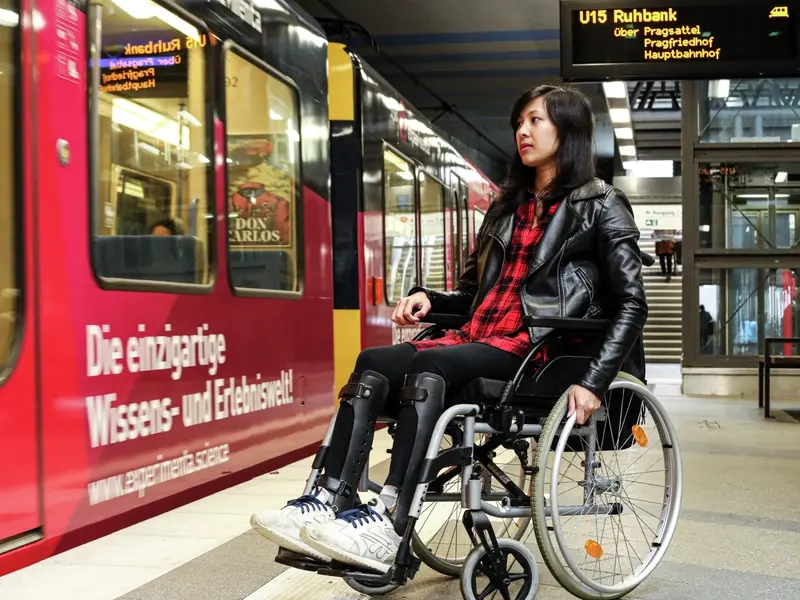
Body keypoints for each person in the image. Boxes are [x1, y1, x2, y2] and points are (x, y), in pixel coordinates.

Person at [250, 84, 648, 575]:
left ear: (569, 131)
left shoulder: (603, 204)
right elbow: (472, 297)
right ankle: (328, 499)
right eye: (519, 122)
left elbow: (632, 303)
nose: (523, 131)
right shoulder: (507, 207)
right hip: (477, 339)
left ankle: (389, 518)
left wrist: (593, 383)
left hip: (540, 351)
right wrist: (430, 300)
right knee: (373, 362)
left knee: (429, 361)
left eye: (536, 121)